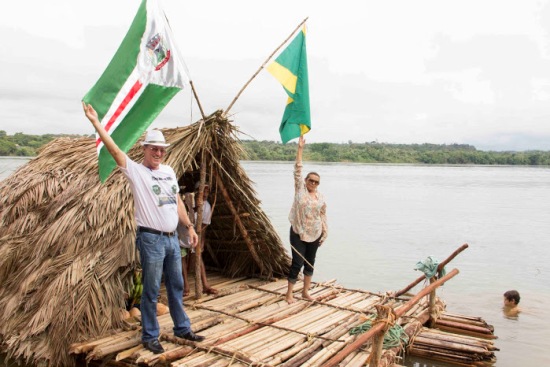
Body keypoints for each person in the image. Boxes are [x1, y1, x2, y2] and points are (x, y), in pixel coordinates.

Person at [82, 102, 205, 354]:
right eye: (154, 149)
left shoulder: (169, 172)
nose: (158, 153)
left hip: (172, 239)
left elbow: (177, 201)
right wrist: (97, 123)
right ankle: (150, 335)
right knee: (150, 289)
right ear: (145, 149)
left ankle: (182, 327)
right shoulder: (137, 172)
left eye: (161, 150)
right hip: (151, 239)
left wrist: (189, 227)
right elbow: (115, 151)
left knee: (176, 285)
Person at [285, 135, 328, 304]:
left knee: (310, 263)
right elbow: (297, 169)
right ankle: (289, 294)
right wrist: (300, 149)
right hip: (298, 231)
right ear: (305, 181)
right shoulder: (300, 190)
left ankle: (305, 291)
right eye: (311, 180)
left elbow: (323, 214)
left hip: (315, 233)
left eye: (316, 182)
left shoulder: (321, 197)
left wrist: (325, 232)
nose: (313, 183)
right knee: (297, 262)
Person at [193, 181, 218, 295]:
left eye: (207, 191)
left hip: (195, 234)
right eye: (203, 190)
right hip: (183, 232)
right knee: (181, 258)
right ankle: (185, 285)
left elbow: (204, 226)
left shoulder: (207, 206)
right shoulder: (189, 200)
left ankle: (205, 284)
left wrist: (201, 240)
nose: (205, 194)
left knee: (198, 256)